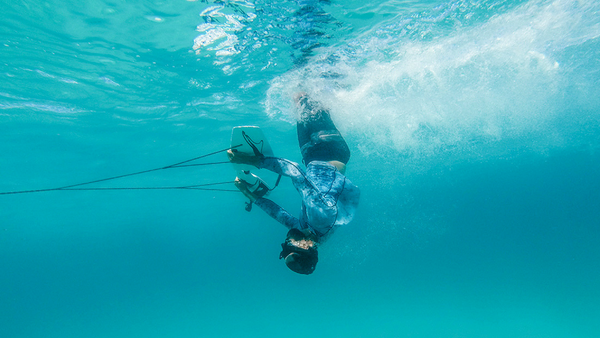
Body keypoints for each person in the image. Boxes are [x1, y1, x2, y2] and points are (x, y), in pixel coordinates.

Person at [227, 94, 360, 275]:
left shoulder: (314, 233)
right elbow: (295, 171)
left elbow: (281, 216)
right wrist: (254, 160)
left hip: (313, 156)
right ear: (306, 247)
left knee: (300, 102)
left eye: (286, 247)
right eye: (290, 246)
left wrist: (252, 196)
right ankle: (324, 75)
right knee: (308, 98)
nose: (286, 242)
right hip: (329, 149)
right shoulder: (321, 219)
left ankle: (310, 76)